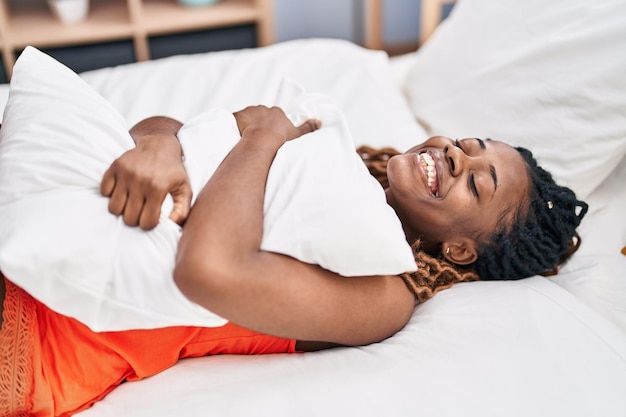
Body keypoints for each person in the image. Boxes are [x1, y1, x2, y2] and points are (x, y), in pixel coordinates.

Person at [0, 106, 587, 416]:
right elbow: (177, 127)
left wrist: (262, 138)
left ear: (460, 250)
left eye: (477, 184)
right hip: (40, 225)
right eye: (467, 144)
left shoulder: (384, 298)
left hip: (48, 332)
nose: (454, 156)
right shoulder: (334, 160)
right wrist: (158, 146)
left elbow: (209, 271)